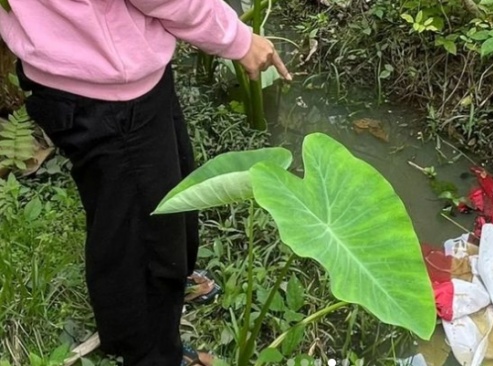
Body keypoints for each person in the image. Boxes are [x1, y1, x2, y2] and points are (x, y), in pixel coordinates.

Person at [0, 1, 291, 365]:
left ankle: (171, 284)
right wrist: (237, 38)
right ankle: (150, 351)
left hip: (90, 63)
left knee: (158, 194)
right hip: (107, 90)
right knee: (140, 239)